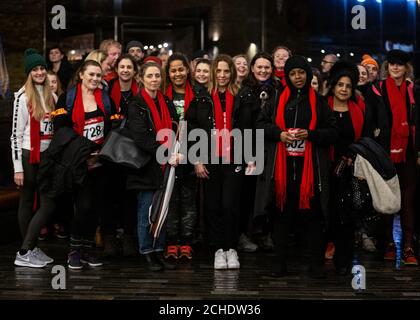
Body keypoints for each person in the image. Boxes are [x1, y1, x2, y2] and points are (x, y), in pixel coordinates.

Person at [255, 55, 337, 278]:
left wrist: (311, 135)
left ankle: (315, 265)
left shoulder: (319, 103)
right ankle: (279, 264)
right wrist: (279, 134)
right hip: (281, 170)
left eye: (301, 72)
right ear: (287, 77)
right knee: (281, 217)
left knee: (313, 218)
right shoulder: (276, 99)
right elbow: (260, 125)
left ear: (308, 74)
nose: (297, 77)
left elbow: (333, 132)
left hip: (311, 171)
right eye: (293, 73)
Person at [53, 59, 118, 270]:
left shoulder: (106, 99)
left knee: (95, 208)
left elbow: (114, 126)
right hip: (78, 163)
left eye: (98, 76)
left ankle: (88, 249)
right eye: (91, 74)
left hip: (101, 163)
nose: (95, 79)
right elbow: (61, 128)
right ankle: (75, 249)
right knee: (82, 207)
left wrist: (104, 150)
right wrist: (83, 151)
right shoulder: (68, 98)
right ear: (81, 75)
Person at [186, 54, 244, 270]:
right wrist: (197, 160)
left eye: (226, 71)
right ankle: (219, 249)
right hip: (209, 159)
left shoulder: (242, 96)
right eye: (218, 71)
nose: (221, 75)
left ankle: (232, 248)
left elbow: (250, 127)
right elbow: (191, 130)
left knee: (230, 205)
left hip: (234, 159)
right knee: (212, 206)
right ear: (213, 73)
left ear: (232, 73)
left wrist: (249, 159)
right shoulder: (201, 98)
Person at [126, 61, 180, 271]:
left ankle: (158, 250)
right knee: (146, 211)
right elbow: (141, 138)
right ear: (141, 78)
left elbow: (175, 127)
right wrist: (168, 153)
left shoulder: (165, 100)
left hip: (165, 167)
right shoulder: (136, 104)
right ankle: (146, 252)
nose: (154, 80)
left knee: (163, 210)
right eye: (149, 76)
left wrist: (175, 149)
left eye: (157, 76)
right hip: (147, 166)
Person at [371, 50, 419, 266]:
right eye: (392, 64)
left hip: (409, 152)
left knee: (408, 201)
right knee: (388, 201)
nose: (396, 68)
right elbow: (372, 121)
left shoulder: (414, 91)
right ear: (387, 67)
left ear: (406, 67)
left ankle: (408, 246)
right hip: (385, 153)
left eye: (400, 64)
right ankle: (389, 244)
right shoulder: (378, 89)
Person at [12, 48, 56, 268]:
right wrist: (17, 167)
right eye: (35, 69)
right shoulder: (22, 97)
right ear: (29, 73)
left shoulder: (51, 95)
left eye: (42, 68)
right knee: (28, 201)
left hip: (48, 155)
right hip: (29, 154)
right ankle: (25, 251)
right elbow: (15, 135)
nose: (39, 72)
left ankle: (29, 248)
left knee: (47, 202)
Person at [326, 61, 370, 274]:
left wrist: (353, 156)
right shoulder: (322, 106)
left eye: (348, 86)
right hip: (323, 169)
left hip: (349, 170)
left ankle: (343, 260)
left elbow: (363, 139)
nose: (344, 89)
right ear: (333, 86)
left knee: (347, 216)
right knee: (327, 214)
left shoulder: (358, 109)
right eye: (340, 85)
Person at [236, 52, 280, 253]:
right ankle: (245, 234)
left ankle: (264, 232)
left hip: (271, 148)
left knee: (267, 194)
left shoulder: (277, 91)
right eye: (259, 67)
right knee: (247, 193)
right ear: (252, 69)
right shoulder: (244, 91)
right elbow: (243, 125)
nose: (263, 70)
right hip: (250, 149)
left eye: (267, 67)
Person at [163, 53, 197, 262]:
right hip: (167, 154)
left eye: (181, 69)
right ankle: (170, 242)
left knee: (188, 201)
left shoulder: (198, 94)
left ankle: (186, 242)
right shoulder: (162, 95)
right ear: (169, 73)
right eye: (173, 70)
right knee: (171, 200)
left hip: (191, 153)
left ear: (187, 70)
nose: (178, 73)